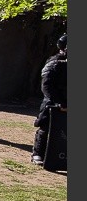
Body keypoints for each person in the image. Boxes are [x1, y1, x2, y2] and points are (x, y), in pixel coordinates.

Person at [31, 34, 67, 165]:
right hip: (53, 102)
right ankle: (38, 153)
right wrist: (60, 102)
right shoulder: (55, 62)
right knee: (45, 126)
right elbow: (46, 85)